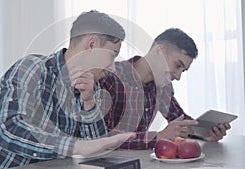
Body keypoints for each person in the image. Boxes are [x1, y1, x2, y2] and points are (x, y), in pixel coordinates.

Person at [0, 10, 136, 169]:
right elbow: (9, 130)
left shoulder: (92, 88)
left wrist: (89, 102)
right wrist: (77, 147)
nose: (113, 68)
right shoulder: (32, 69)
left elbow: (97, 152)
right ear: (92, 44)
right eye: (112, 55)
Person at [99, 28, 231, 150]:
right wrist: (158, 137)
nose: (178, 76)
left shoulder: (163, 85)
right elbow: (102, 136)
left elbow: (179, 120)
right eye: (177, 65)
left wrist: (202, 134)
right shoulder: (109, 76)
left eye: (183, 71)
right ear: (159, 51)